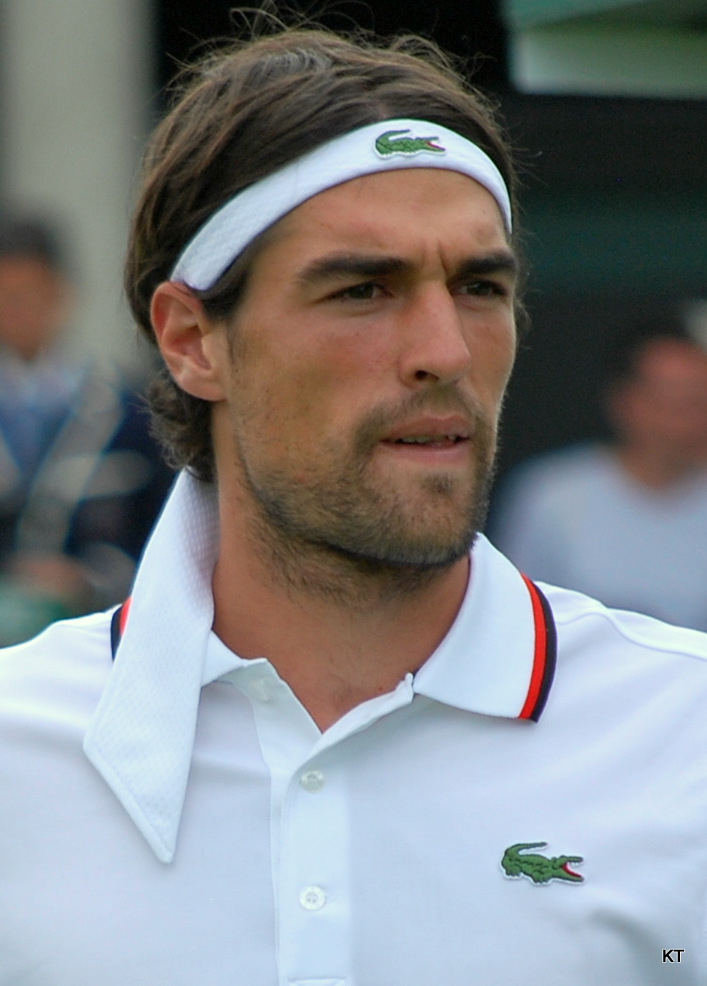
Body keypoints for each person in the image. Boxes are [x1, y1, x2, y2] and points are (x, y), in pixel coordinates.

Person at [1, 23, 707, 986]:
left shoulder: (682, 730)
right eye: (363, 289)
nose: (444, 351)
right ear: (191, 341)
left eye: (478, 285)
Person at [0, 213, 173, 643]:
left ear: (61, 293)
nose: (15, 311)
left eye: (28, 294)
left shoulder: (128, 411)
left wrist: (88, 580)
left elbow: (162, 538)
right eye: (4, 296)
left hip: (96, 639)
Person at [490, 310, 707, 630]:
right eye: (669, 401)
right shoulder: (551, 495)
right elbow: (512, 617)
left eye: (697, 402)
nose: (683, 422)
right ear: (623, 400)